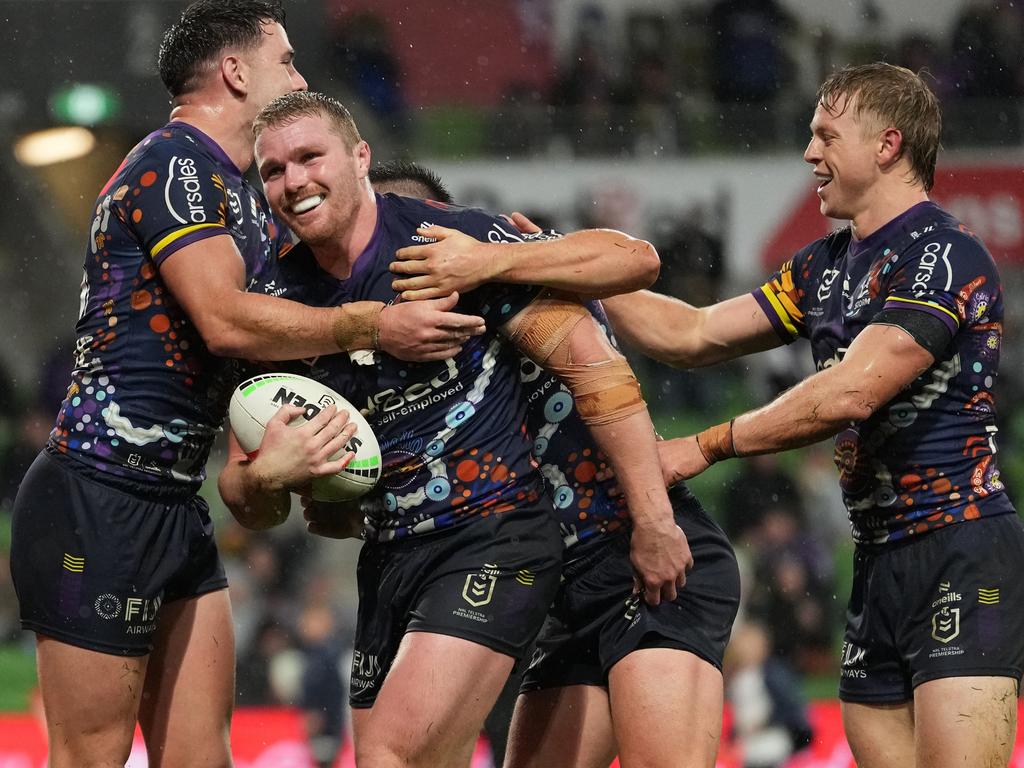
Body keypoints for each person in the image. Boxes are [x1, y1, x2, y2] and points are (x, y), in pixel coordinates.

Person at [7, 3, 483, 766]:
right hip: (95, 497)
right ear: (235, 71)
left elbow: (250, 370)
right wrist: (368, 325)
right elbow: (226, 321)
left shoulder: (246, 201)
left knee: (202, 758)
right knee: (89, 756)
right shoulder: (173, 161)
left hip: (174, 505)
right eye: (286, 60)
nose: (298, 76)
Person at [218, 90, 691, 768]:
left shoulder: (445, 244)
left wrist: (654, 520)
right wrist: (270, 475)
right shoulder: (276, 305)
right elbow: (246, 498)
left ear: (360, 157)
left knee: (391, 758)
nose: (293, 181)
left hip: (494, 535)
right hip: (388, 560)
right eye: (272, 170)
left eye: (309, 157)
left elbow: (612, 327)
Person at [596, 63, 1024, 768]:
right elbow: (693, 333)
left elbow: (852, 392)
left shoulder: (944, 255)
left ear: (887, 145)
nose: (809, 152)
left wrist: (708, 443)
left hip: (962, 547)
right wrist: (550, 266)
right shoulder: (823, 266)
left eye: (826, 135)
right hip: (878, 558)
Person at [381, 165, 740, 767]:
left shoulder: (516, 279)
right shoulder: (403, 349)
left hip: (647, 556)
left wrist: (511, 255)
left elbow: (635, 258)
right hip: (564, 588)